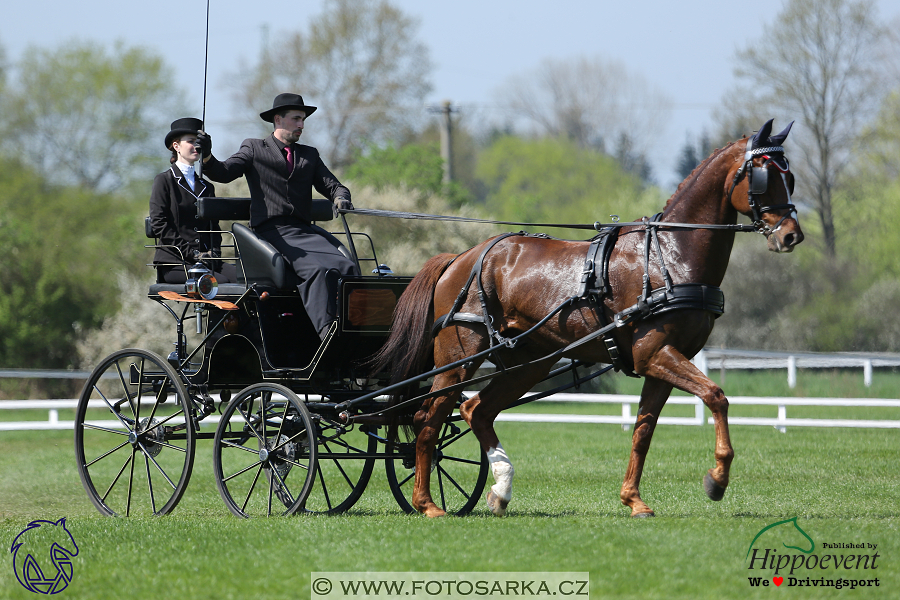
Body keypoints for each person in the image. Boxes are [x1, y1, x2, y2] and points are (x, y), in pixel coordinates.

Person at [197, 93, 359, 340]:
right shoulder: (254, 148)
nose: (301, 125)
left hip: (304, 232)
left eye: (303, 120)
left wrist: (340, 197)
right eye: (296, 119)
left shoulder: (309, 155)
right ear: (278, 119)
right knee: (316, 269)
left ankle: (352, 328)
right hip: (271, 234)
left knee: (346, 265)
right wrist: (207, 157)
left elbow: (333, 185)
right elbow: (224, 172)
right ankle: (328, 334)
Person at [149, 117, 236, 284]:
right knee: (221, 283)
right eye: (190, 141)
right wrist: (192, 254)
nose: (196, 145)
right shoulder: (164, 181)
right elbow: (159, 223)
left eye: (198, 141)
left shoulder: (207, 186)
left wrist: (214, 254)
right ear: (176, 146)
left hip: (205, 262)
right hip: (175, 263)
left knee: (245, 279)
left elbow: (214, 227)